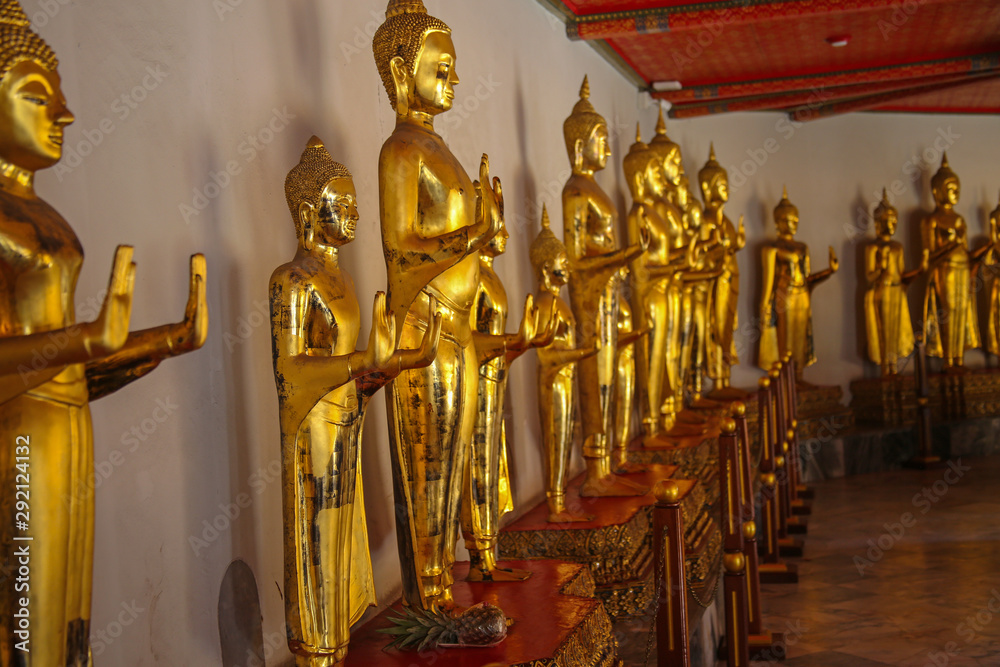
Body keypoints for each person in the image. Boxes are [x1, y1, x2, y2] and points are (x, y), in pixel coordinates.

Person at [0, 2, 207, 662]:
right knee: (25, 614)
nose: (64, 111)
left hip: (63, 430)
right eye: (38, 94)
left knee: (68, 620)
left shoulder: (46, 215)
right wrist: (85, 339)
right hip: (19, 445)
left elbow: (73, 371)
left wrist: (163, 339)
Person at [270, 137, 440, 664]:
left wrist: (398, 364)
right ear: (306, 210)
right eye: (339, 205)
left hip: (346, 419)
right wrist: (361, 361)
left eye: (354, 203)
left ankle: (336, 645)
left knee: (343, 539)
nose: (354, 214)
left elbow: (359, 368)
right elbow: (290, 371)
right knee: (316, 542)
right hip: (312, 429)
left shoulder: (341, 278)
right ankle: (316, 651)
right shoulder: (291, 281)